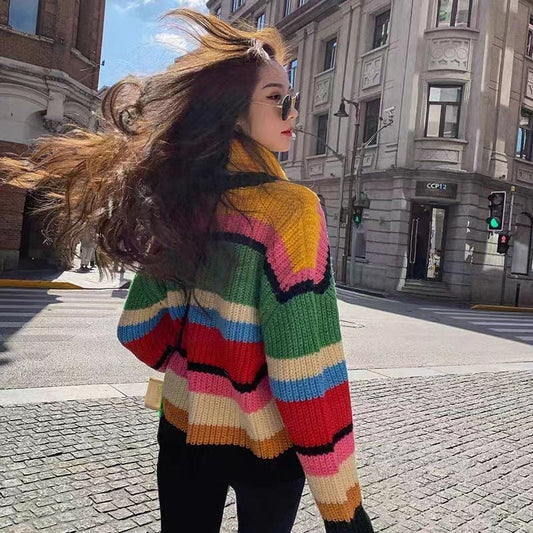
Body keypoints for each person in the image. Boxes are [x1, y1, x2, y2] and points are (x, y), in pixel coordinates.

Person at [0, 10, 373, 533]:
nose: (293, 109)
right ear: (231, 109)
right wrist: (343, 508)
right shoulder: (291, 209)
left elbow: (140, 329)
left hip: (182, 427)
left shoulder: (183, 201)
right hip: (265, 446)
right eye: (275, 96)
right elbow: (307, 370)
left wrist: (198, 368)